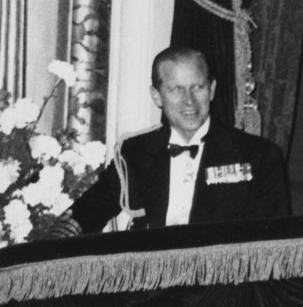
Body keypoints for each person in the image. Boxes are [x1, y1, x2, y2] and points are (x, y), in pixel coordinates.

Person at [58, 46, 290, 234]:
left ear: (212, 90)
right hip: (150, 282)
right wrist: (49, 245)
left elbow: (273, 241)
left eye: (197, 87)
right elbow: (90, 210)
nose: (189, 102)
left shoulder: (258, 156)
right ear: (156, 96)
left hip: (222, 285)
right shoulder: (136, 152)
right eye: (176, 89)